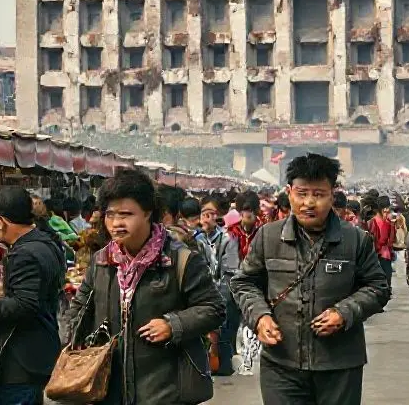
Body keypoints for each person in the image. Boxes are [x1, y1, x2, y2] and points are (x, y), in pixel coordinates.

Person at [231, 153, 391, 405]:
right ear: (289, 192)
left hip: (339, 365)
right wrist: (260, 317)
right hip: (281, 363)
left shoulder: (355, 240)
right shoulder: (268, 237)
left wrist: (344, 312)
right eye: (301, 193)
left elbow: (378, 288)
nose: (309, 202)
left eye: (318, 194)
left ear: (333, 194)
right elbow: (244, 283)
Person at [65, 169, 225, 405]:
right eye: (110, 215)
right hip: (109, 387)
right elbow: (79, 308)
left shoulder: (180, 260)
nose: (116, 223)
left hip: (166, 388)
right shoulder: (102, 261)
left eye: (126, 214)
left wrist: (173, 324)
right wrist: (71, 342)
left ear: (148, 213)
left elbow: (214, 308)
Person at [0, 186, 66, 404]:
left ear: (2, 220)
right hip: (38, 352)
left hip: (21, 360)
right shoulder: (46, 243)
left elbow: (24, 305)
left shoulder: (25, 253)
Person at [200, 195, 240, 376]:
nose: (206, 218)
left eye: (211, 213)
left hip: (222, 293)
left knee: (223, 332)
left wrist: (221, 298)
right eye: (203, 213)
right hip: (202, 294)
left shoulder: (227, 239)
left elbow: (230, 271)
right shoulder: (197, 237)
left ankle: (224, 365)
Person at [229, 191, 264, 376]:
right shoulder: (232, 232)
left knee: (251, 316)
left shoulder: (264, 231)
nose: (246, 219)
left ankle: (250, 355)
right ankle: (237, 352)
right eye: (243, 214)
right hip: (236, 279)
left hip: (257, 280)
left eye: (250, 215)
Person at [368, 195, 396, 292]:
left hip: (385, 254)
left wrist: (392, 225)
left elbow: (391, 240)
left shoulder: (388, 222)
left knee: (387, 278)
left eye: (388, 207)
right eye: (385, 208)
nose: (387, 210)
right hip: (376, 255)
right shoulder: (373, 222)